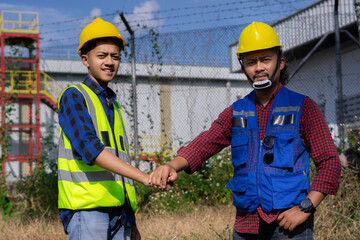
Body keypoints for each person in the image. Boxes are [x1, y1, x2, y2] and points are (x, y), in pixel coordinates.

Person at [150, 22, 341, 239]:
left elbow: (330, 163)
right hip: (246, 226)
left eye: (266, 59)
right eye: (251, 62)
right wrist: (171, 165)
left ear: (280, 63)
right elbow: (205, 143)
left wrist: (305, 208)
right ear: (243, 68)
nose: (259, 67)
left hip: (290, 226)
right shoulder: (236, 112)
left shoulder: (303, 107)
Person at [57, 18, 151, 240]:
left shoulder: (114, 105)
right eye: (102, 56)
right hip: (88, 211)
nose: (110, 62)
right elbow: (91, 150)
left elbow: (120, 171)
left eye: (115, 56)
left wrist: (131, 221)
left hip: (119, 213)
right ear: (85, 60)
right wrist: (145, 178)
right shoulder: (74, 96)